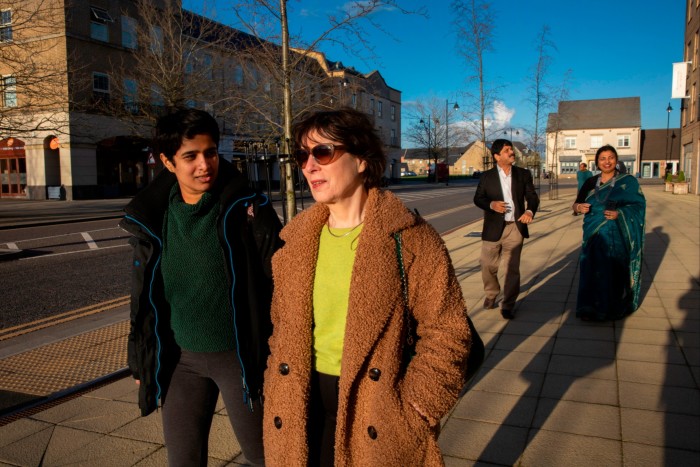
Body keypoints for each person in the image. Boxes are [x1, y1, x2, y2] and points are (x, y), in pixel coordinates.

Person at [262, 108, 470, 466]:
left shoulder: (412, 240)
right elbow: (280, 328)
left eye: (322, 152)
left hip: (377, 406)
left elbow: (449, 331)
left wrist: (418, 405)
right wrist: (273, 385)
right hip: (300, 400)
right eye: (301, 155)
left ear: (361, 160)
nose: (309, 166)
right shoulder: (294, 242)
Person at [120, 108, 282, 466]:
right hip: (181, 361)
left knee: (265, 457)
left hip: (241, 358)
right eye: (190, 156)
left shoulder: (247, 209)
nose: (205, 164)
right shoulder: (152, 216)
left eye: (210, 152)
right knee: (184, 460)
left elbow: (282, 283)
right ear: (167, 161)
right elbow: (144, 298)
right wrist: (141, 360)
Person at [572, 144, 646, 321]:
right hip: (593, 235)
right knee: (591, 267)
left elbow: (638, 206)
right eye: (603, 158)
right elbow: (576, 204)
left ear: (616, 159)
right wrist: (578, 207)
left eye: (611, 157)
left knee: (613, 270)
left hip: (616, 235)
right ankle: (589, 307)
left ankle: (611, 308)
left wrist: (619, 214)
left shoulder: (627, 182)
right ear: (597, 162)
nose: (607, 162)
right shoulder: (591, 182)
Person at [473, 139, 540, 319]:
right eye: (507, 150)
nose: (512, 152)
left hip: (515, 228)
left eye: (511, 149)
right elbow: (478, 198)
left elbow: (532, 197)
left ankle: (508, 304)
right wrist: (491, 204)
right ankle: (491, 293)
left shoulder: (523, 174)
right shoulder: (487, 177)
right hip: (493, 228)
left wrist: (529, 211)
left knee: (511, 268)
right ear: (496, 156)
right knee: (487, 265)